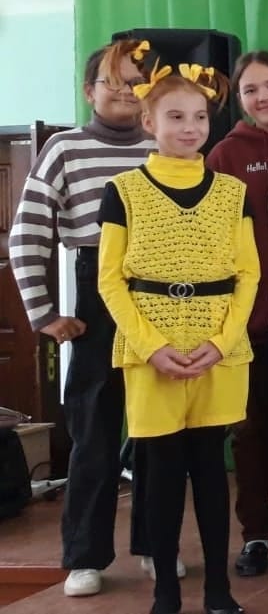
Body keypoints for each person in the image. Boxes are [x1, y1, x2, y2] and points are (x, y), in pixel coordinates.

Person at [8, 39, 165, 597]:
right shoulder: (65, 148)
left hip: (166, 296)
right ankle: (84, 556)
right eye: (111, 81)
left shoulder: (164, 143)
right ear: (88, 91)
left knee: (160, 433)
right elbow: (27, 232)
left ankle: (157, 545)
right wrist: (44, 314)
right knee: (94, 432)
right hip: (98, 288)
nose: (125, 91)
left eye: (136, 82)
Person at [98, 62, 256, 614]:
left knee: (211, 471)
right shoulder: (123, 191)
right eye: (176, 117)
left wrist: (222, 340)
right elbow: (110, 280)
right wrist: (151, 346)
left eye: (199, 117)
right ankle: (165, 589)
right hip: (152, 349)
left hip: (218, 348)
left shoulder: (233, 191)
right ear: (149, 122)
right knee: (161, 473)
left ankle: (218, 589)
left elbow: (249, 274)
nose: (190, 128)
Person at [205, 50, 268, 577]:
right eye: (250, 90)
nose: (263, 97)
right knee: (251, 436)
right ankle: (256, 535)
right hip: (249, 324)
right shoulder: (226, 154)